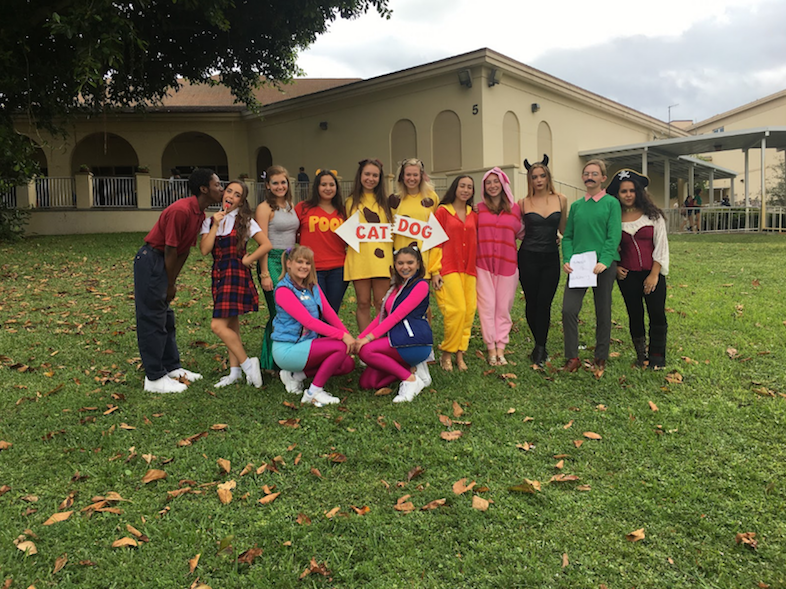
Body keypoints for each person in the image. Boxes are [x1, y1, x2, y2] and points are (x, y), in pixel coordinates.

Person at [134, 168, 223, 393]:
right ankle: (154, 378)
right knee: (153, 318)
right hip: (153, 260)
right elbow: (171, 249)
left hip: (165, 262)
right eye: (217, 184)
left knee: (166, 317)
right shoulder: (181, 210)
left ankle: (171, 367)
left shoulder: (199, 214)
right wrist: (169, 283)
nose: (221, 188)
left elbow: (184, 251)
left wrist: (172, 280)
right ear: (204, 189)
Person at [200, 180, 272, 388]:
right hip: (219, 274)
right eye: (228, 191)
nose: (230, 196)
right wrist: (214, 224)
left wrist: (249, 260)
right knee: (231, 324)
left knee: (217, 325)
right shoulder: (210, 220)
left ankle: (249, 364)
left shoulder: (245, 220)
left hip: (236, 274)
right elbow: (204, 249)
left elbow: (265, 244)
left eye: (237, 194)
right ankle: (235, 372)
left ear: (242, 200)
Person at [271, 246, 356, 407]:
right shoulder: (283, 290)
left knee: (347, 364)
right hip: (288, 349)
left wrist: (348, 336)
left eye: (308, 263)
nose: (304, 266)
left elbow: (329, 313)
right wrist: (342, 337)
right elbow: (308, 322)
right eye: (300, 262)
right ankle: (313, 393)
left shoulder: (312, 286)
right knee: (339, 346)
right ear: (289, 264)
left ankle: (296, 377)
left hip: (306, 346)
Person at [561, 159, 622, 373]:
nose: (590, 177)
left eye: (595, 174)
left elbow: (613, 235)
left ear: (603, 178)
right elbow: (568, 236)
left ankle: (601, 356)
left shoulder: (611, 204)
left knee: (603, 310)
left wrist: (604, 261)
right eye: (587, 173)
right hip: (579, 267)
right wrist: (567, 259)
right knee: (568, 309)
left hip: (603, 266)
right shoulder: (577, 206)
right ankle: (572, 357)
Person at [606, 169, 669, 368]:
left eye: (632, 190)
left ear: (639, 192)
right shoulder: (614, 218)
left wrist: (654, 274)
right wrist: (615, 267)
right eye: (623, 191)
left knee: (657, 313)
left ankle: (657, 356)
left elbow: (661, 246)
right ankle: (641, 355)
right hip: (627, 276)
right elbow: (609, 245)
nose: (628, 195)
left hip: (652, 274)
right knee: (635, 314)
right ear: (617, 194)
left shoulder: (653, 216)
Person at [355, 247, 432, 403]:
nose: (405, 267)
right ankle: (412, 369)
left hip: (414, 341)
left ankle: (410, 379)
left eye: (410, 263)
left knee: (366, 351)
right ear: (395, 266)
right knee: (368, 383)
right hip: (397, 340)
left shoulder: (421, 285)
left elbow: (397, 315)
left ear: (418, 264)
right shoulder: (395, 288)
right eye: (400, 263)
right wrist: (359, 339)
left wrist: (368, 339)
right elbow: (381, 318)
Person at [516, 155, 568, 366]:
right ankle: (539, 344)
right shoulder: (522, 203)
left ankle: (540, 346)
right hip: (528, 256)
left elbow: (565, 229)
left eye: (542, 176)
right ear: (529, 180)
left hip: (550, 258)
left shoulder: (561, 199)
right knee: (532, 302)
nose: (538, 180)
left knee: (545, 303)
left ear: (548, 177)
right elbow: (516, 229)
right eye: (534, 177)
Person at [430, 175, 477, 371]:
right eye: (462, 186)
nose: (465, 190)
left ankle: (460, 354)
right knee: (455, 310)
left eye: (469, 187)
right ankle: (447, 353)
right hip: (448, 267)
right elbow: (434, 241)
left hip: (469, 269)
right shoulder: (442, 212)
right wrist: (434, 271)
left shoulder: (473, 214)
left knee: (468, 312)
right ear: (455, 188)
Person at [476, 167, 522, 366]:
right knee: (487, 307)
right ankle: (491, 349)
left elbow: (524, 233)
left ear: (503, 185)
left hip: (508, 265)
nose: (493, 186)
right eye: (489, 182)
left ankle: (501, 347)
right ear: (484, 187)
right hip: (483, 265)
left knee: (503, 308)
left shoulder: (516, 209)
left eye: (496, 182)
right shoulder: (478, 209)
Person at [255, 165, 299, 372]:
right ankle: (269, 361)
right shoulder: (264, 208)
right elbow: (262, 242)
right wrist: (265, 273)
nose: (280, 186)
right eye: (275, 183)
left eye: (283, 182)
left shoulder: (290, 205)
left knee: (292, 311)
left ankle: (288, 356)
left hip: (290, 261)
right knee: (279, 311)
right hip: (271, 261)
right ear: (267, 185)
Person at [344, 158, 394, 332]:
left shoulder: (388, 202)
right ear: (360, 175)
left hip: (382, 259)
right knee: (363, 302)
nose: (371, 178)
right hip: (359, 258)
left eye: (375, 175)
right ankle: (365, 344)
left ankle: (379, 341)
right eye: (367, 174)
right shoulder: (350, 201)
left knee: (381, 303)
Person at [295, 169, 348, 313]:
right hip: (311, 268)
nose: (328, 188)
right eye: (323, 184)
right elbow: (291, 232)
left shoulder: (343, 211)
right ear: (317, 187)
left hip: (339, 269)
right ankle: (315, 336)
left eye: (332, 184)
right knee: (316, 311)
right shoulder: (303, 208)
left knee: (332, 312)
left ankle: (329, 336)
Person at [389, 158, 439, 279]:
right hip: (401, 263)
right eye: (408, 175)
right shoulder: (394, 200)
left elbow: (437, 234)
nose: (412, 178)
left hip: (423, 260)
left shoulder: (431, 197)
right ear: (402, 176)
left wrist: (436, 269)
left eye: (415, 175)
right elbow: (389, 232)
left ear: (421, 176)